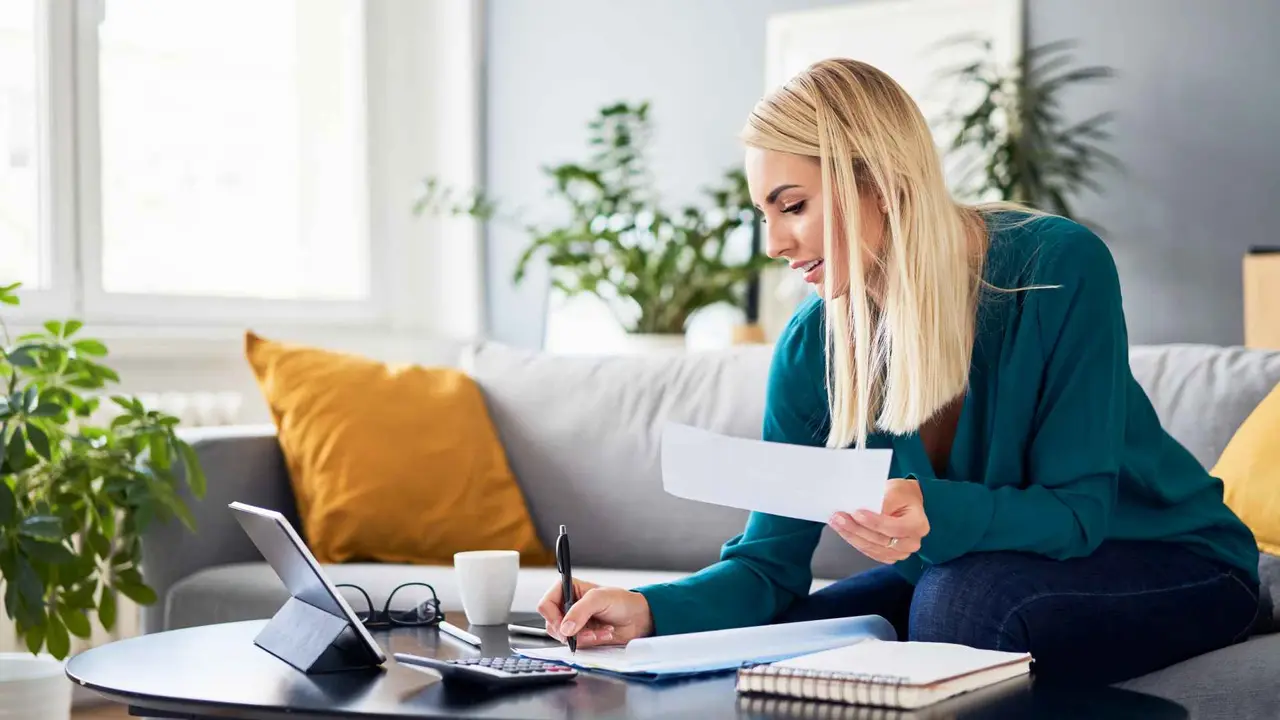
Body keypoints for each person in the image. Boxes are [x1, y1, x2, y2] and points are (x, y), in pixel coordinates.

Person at [536, 58, 1261, 684]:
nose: (775, 243)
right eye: (764, 214)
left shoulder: (1055, 268)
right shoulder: (813, 346)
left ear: (879, 182)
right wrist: (648, 610)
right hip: (975, 567)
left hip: (1168, 558)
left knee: (957, 603)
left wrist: (932, 508)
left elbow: (1078, 515)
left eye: (792, 206)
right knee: (785, 643)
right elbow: (768, 568)